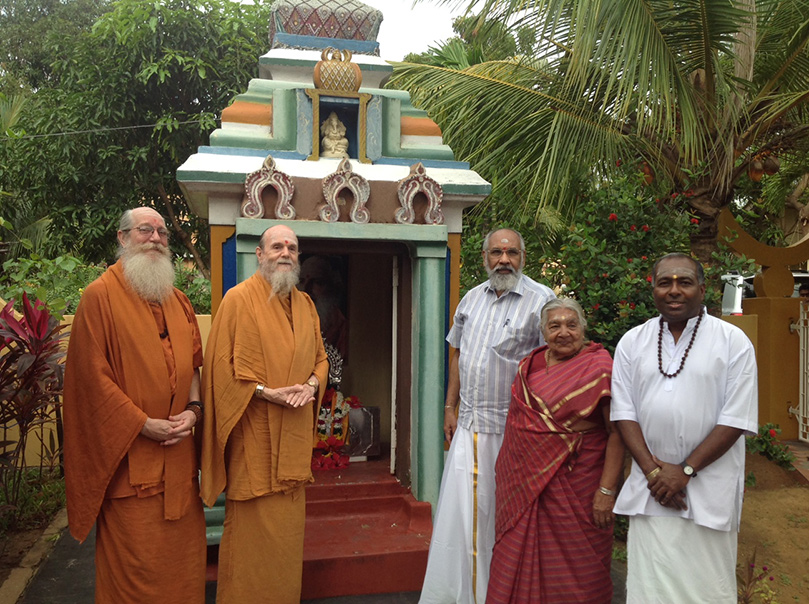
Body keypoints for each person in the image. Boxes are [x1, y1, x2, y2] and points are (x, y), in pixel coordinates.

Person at [62, 207, 206, 603]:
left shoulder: (178, 300)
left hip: (179, 467)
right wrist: (143, 423)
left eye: (162, 232)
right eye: (146, 230)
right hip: (131, 470)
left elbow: (195, 364)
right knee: (135, 579)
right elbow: (92, 382)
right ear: (123, 239)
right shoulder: (99, 297)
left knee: (183, 575)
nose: (157, 239)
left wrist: (194, 412)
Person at [611, 253, 758, 603]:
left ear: (702, 289)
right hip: (652, 492)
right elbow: (623, 412)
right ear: (653, 290)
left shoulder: (732, 342)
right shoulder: (633, 341)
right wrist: (653, 472)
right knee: (651, 589)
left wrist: (686, 470)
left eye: (684, 282)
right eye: (665, 282)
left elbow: (736, 418)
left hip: (709, 490)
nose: (674, 290)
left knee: (706, 588)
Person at [419, 228, 556, 604]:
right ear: (484, 257)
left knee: (501, 520)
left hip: (513, 432)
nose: (504, 260)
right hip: (468, 427)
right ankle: (459, 593)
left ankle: (498, 595)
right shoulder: (470, 300)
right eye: (497, 252)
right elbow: (458, 355)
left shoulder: (541, 300)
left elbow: (552, 367)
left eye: (512, 252)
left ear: (523, 256)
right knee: (460, 517)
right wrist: (450, 407)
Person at [200, 224, 329, 604]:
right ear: (260, 255)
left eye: (292, 247)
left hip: (291, 444)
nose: (285, 252)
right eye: (277, 246)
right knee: (249, 551)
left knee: (285, 552)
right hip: (253, 446)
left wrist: (309, 385)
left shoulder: (306, 305)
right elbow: (219, 372)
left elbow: (321, 359)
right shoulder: (238, 300)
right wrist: (263, 392)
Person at [487, 298, 624, 604]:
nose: (564, 332)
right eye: (555, 325)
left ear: (583, 329)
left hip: (580, 485)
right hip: (524, 486)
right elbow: (519, 428)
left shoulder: (600, 367)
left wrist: (607, 489)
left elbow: (617, 432)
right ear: (543, 331)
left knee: (581, 571)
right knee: (518, 554)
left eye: (571, 325)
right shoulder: (529, 365)